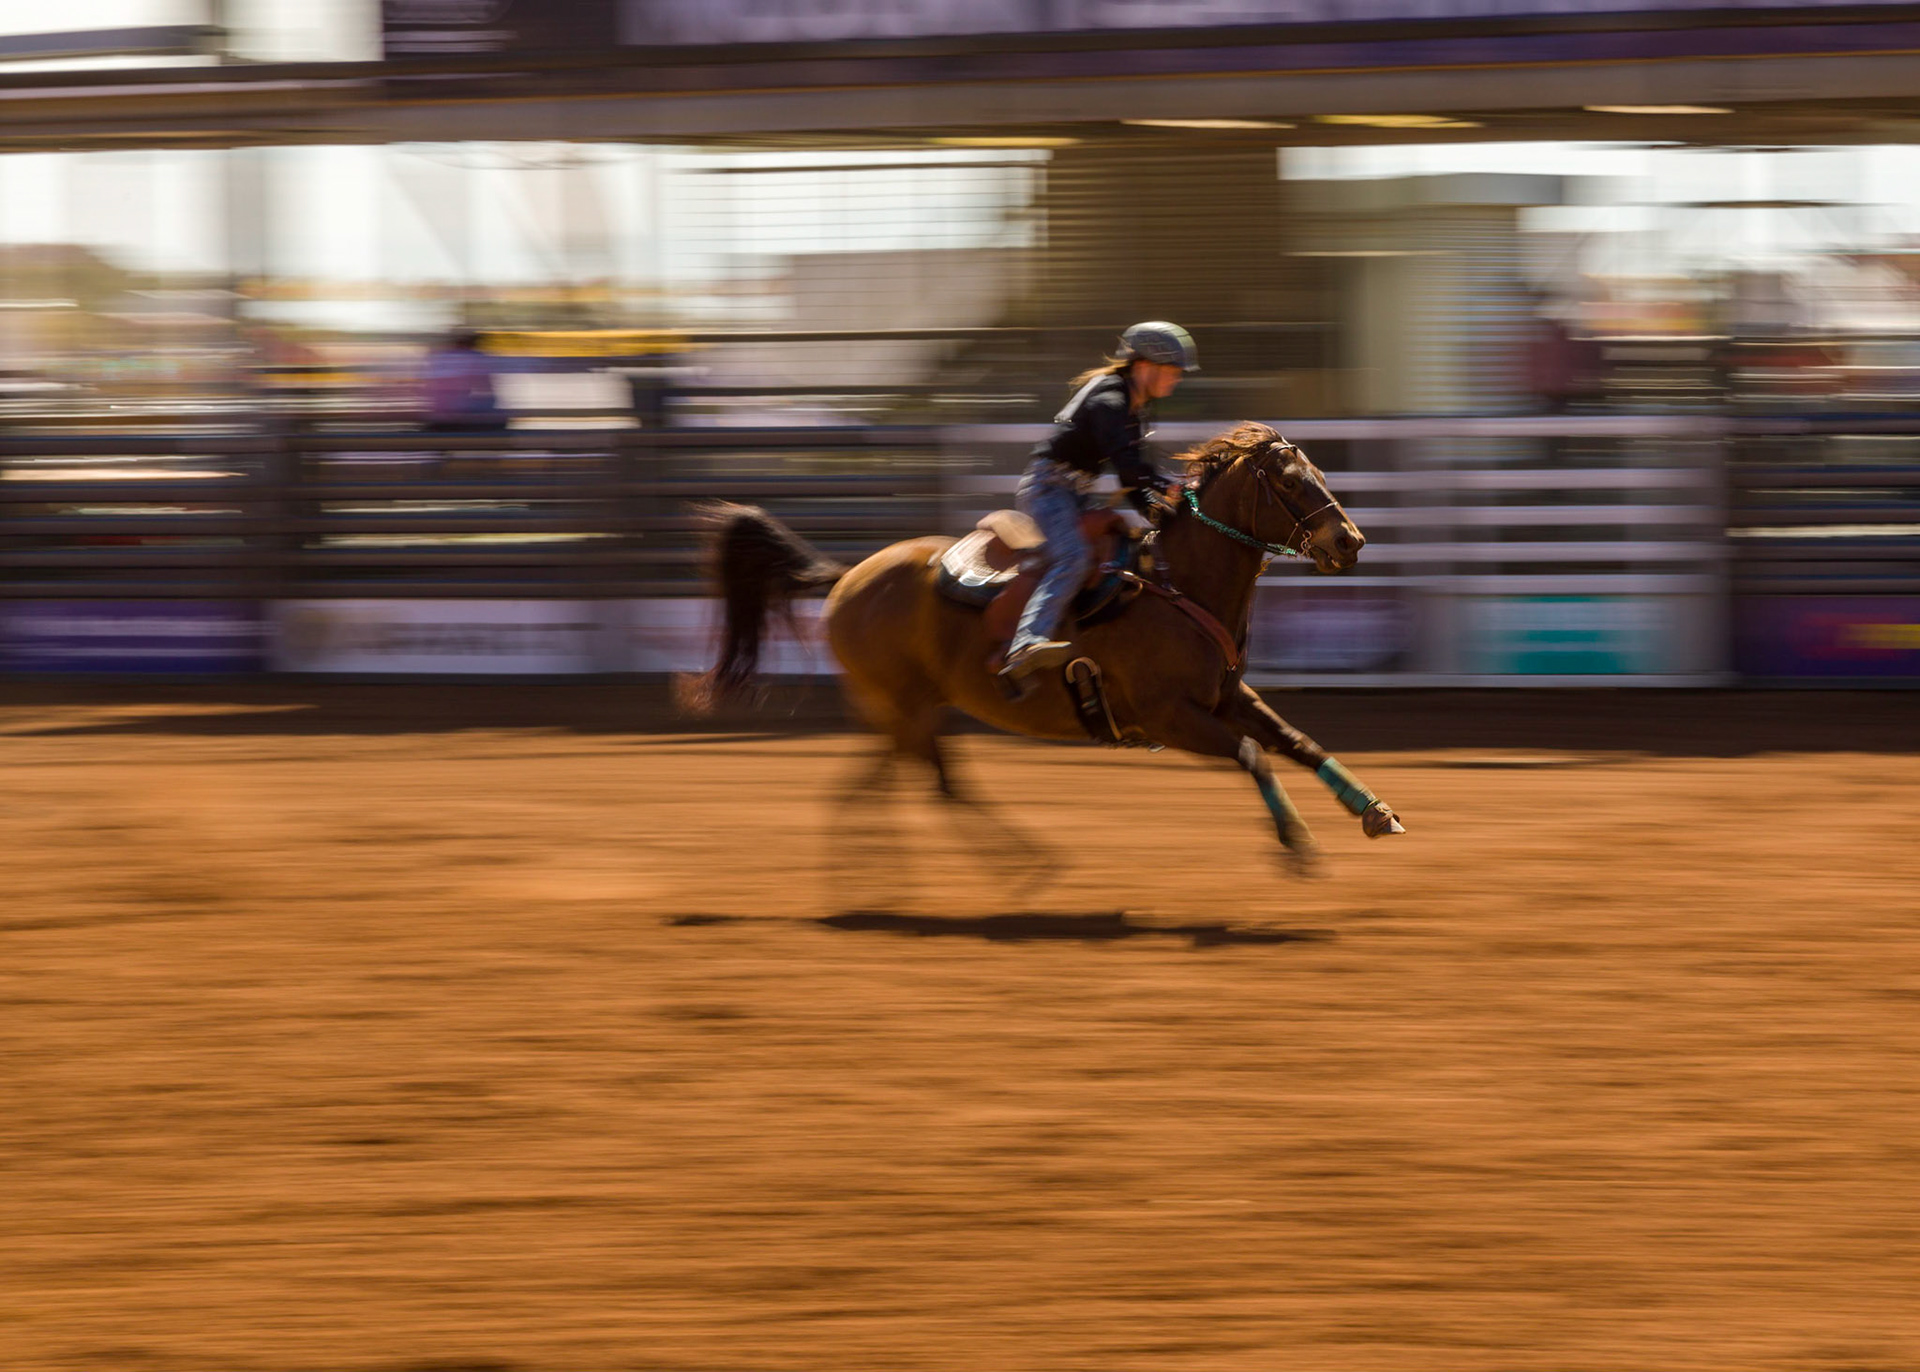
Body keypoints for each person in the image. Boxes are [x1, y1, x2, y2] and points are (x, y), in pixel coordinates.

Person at [999, 320, 1198, 687]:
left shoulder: (1133, 408)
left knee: (1125, 552)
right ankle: (1026, 643)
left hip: (1072, 493)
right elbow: (1129, 465)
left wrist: (1163, 515)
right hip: (1048, 491)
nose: (1176, 378)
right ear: (1144, 366)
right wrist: (1166, 486)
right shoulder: (1110, 399)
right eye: (1171, 370)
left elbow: (1130, 480)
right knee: (1073, 557)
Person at [423, 328, 508, 432]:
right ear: (474, 342)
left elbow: (430, 388)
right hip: (462, 415)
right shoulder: (476, 356)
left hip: (439, 415)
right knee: (498, 418)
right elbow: (487, 387)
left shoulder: (440, 357)